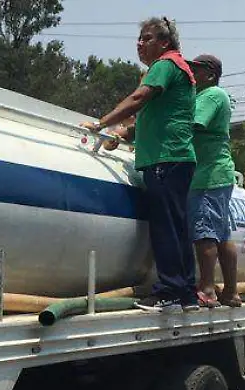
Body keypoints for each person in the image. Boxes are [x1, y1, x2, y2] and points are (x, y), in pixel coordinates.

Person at [83, 17, 198, 313]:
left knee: (166, 227)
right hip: (176, 157)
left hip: (165, 158)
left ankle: (170, 291)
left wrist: (101, 123)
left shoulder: (164, 65)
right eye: (139, 39)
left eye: (147, 38)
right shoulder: (178, 68)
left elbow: (139, 99)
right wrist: (121, 133)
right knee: (177, 226)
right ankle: (185, 292)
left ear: (164, 42)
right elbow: (152, 114)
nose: (140, 43)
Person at [187, 54, 240, 307]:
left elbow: (193, 124)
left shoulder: (210, 95)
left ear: (210, 74)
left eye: (195, 70)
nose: (191, 74)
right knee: (222, 234)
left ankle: (207, 289)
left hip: (207, 175)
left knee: (204, 231)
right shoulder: (211, 96)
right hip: (218, 173)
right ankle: (230, 291)